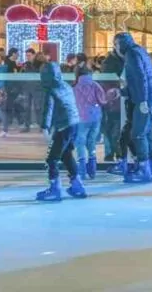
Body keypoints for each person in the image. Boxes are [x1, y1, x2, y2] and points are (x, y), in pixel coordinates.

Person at [114, 32, 152, 183]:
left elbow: (140, 78)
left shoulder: (131, 54)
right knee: (146, 132)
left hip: (146, 97)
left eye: (115, 44)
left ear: (122, 43)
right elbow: (139, 80)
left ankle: (144, 170)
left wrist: (142, 101)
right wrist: (121, 92)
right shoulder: (139, 51)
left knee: (138, 134)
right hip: (151, 95)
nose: (115, 48)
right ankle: (151, 169)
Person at [36, 62, 86, 201]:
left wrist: (45, 127)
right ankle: (77, 185)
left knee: (52, 158)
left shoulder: (51, 89)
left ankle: (55, 189)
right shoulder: (66, 85)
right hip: (74, 124)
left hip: (64, 127)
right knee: (66, 154)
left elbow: (49, 109)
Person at [73, 65, 107, 179]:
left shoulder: (75, 87)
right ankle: (92, 169)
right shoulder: (95, 85)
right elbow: (102, 100)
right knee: (91, 142)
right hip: (95, 117)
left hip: (82, 118)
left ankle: (82, 170)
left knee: (80, 143)